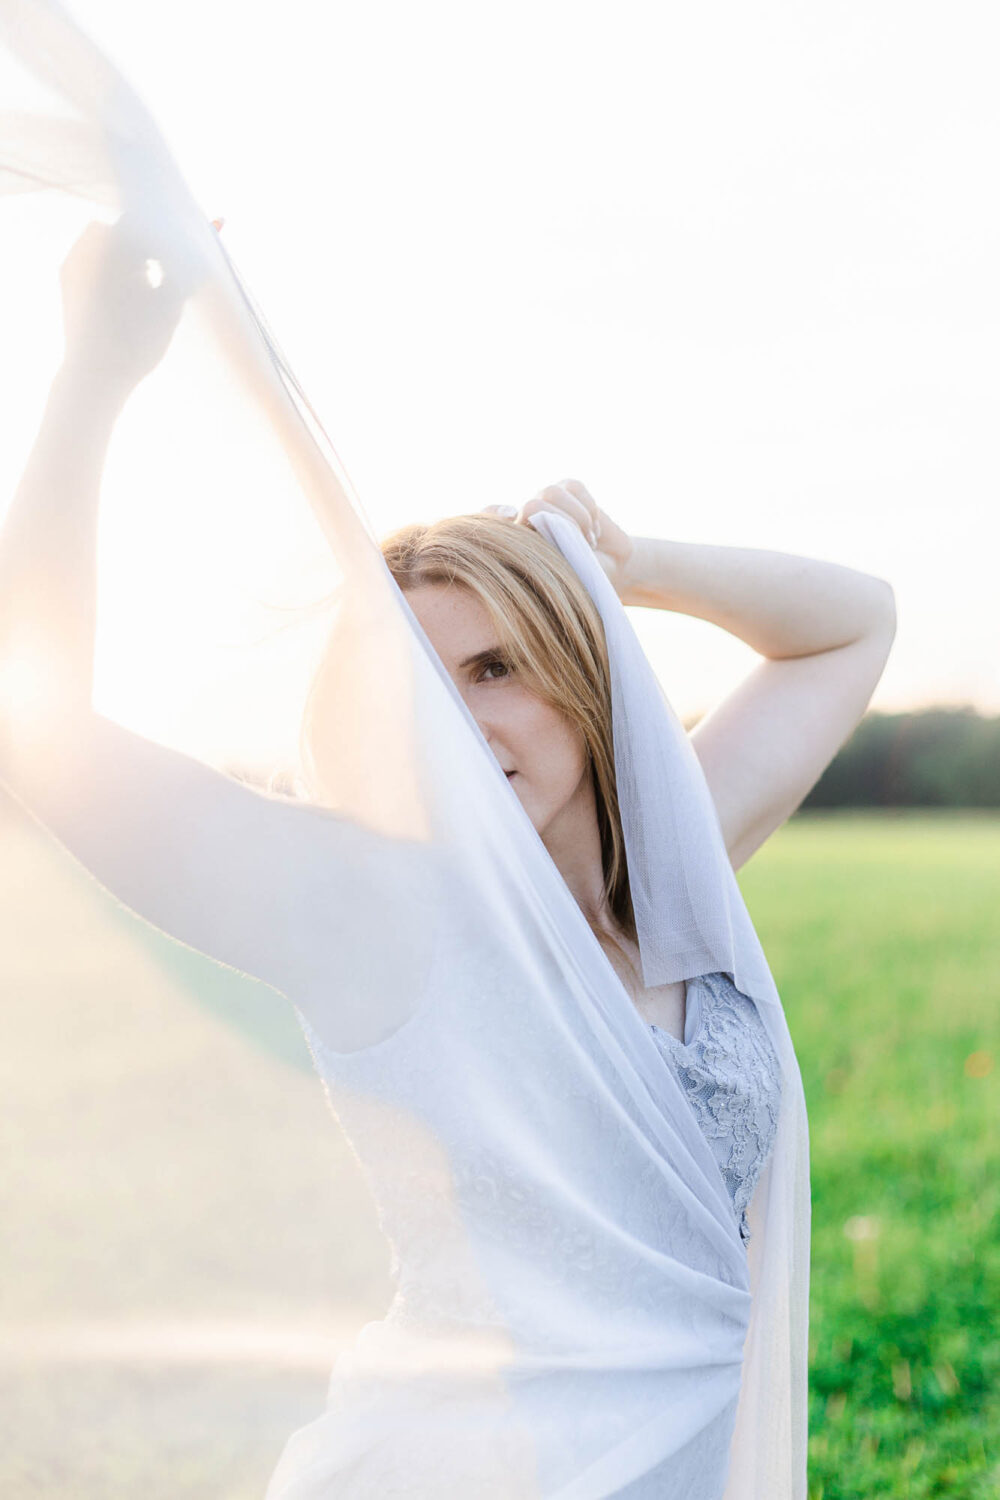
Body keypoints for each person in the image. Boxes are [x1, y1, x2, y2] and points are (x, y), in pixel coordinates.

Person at [0, 16, 896, 1478]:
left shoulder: (675, 864)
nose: (465, 721)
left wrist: (629, 557)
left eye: (499, 668)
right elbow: (33, 722)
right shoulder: (372, 907)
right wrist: (96, 376)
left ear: (584, 684)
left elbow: (854, 625)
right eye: (422, 687)